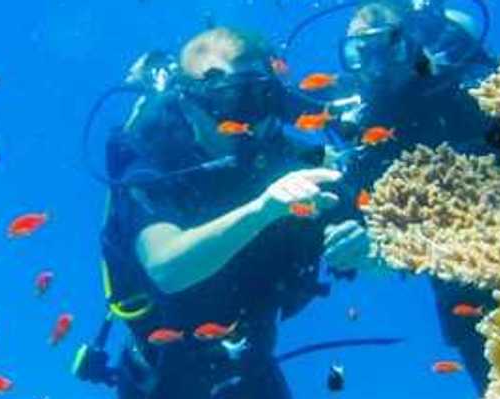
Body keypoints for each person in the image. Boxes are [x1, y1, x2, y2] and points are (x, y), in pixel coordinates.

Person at [99, 27, 371, 399]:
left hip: (253, 370)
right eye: (236, 101)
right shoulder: (151, 158)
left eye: (263, 98)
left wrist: (364, 250)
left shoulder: (288, 164)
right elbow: (167, 267)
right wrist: (263, 210)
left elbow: (382, 258)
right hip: (163, 382)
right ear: (191, 102)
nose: (252, 121)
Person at [313, 0, 498, 394]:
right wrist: (361, 246)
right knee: (481, 340)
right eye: (360, 53)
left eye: (388, 48)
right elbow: (354, 216)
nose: (376, 66)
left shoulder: (454, 88)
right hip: (453, 271)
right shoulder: (353, 118)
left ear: (412, 46)